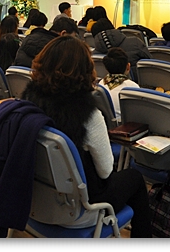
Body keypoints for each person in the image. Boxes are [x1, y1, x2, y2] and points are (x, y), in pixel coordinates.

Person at [21, 36, 152, 237]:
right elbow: (106, 171)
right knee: (134, 178)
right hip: (78, 211)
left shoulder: (27, 100)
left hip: (34, 200)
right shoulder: (88, 114)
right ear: (85, 71)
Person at [13, 16, 78, 68]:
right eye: (71, 39)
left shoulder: (28, 38)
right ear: (63, 33)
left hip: (18, 79)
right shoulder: (57, 50)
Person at [98, 48, 139, 118]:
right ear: (128, 67)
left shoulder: (100, 84)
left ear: (106, 68)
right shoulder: (132, 87)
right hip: (125, 124)